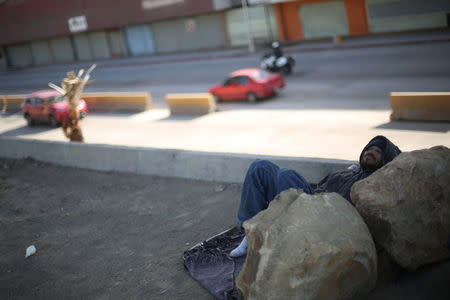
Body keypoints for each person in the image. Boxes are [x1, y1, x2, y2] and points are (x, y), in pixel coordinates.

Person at [229, 135, 401, 257]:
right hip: (313, 200)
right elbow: (319, 186)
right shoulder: (346, 173)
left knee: (286, 175)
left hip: (326, 218)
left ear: (386, 159)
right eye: (368, 149)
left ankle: (278, 240)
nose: (370, 152)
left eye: (377, 151)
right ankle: (250, 233)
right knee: (260, 166)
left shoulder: (376, 183)